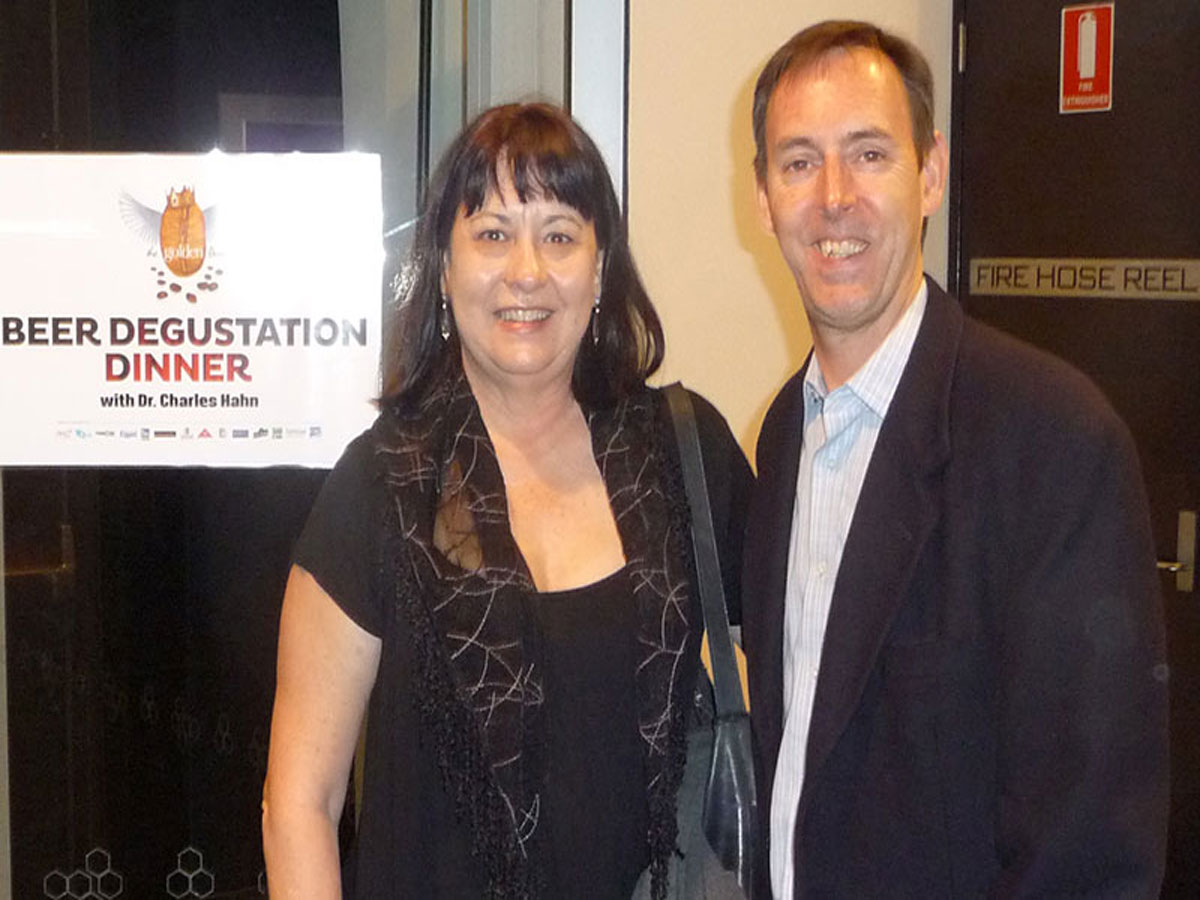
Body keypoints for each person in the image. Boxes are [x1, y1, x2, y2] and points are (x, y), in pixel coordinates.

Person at [261, 102, 753, 899]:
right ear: (445, 268)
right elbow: (298, 806)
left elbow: (811, 684)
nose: (527, 270)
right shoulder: (379, 486)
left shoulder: (685, 455)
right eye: (492, 234)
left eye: (559, 235)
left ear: (600, 270)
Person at [740, 20, 1169, 899]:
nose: (832, 198)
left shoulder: (1054, 443)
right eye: (798, 162)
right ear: (763, 199)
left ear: (929, 172)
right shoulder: (783, 432)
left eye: (868, 154)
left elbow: (1089, 853)